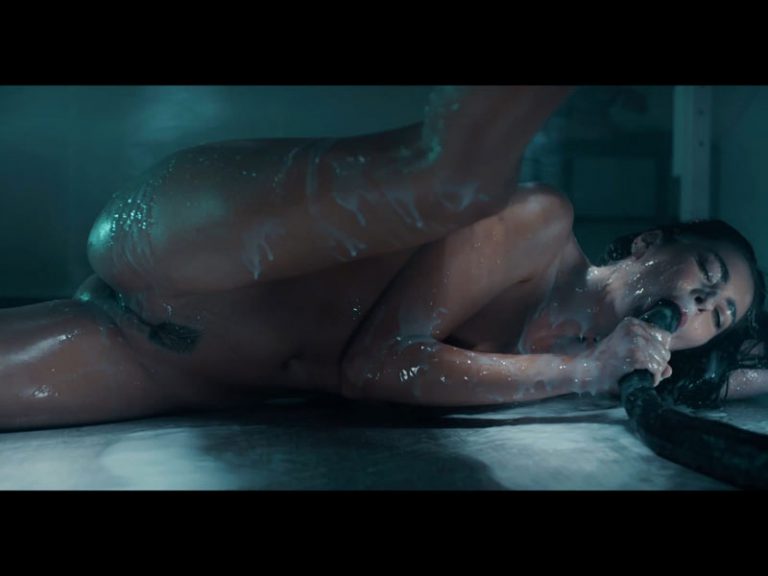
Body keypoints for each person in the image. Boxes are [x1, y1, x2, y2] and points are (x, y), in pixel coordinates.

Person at [0, 86, 765, 431]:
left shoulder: (595, 365)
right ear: (649, 244)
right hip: (200, 236)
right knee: (453, 181)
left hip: (165, 354)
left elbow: (729, 379)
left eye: (720, 314)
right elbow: (377, 366)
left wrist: (596, 369)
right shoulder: (540, 225)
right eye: (706, 276)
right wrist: (586, 372)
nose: (703, 307)